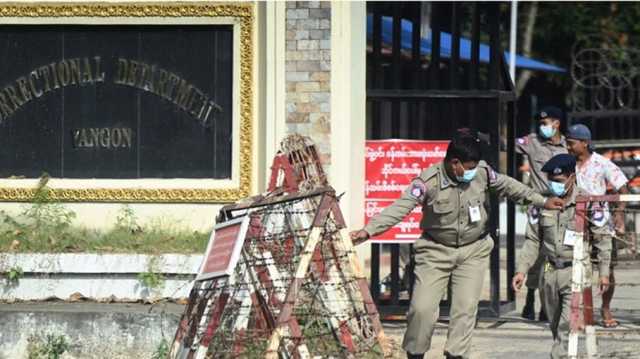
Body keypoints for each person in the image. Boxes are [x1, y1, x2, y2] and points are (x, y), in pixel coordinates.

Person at [351, 132, 564, 359]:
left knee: (464, 309)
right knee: (421, 309)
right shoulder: (428, 182)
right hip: (435, 250)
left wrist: (542, 201)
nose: (472, 171)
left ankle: (456, 355)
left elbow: (509, 186)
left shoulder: (481, 172)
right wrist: (368, 230)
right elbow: (400, 207)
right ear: (454, 163)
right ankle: (415, 353)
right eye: (468, 167)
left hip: (474, 250)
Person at [513, 154, 612, 359]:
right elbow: (532, 240)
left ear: (571, 177)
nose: (553, 185)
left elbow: (602, 239)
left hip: (576, 269)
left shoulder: (589, 202)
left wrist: (604, 273)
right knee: (556, 324)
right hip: (548, 271)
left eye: (558, 181)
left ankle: (558, 356)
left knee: (567, 327)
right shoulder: (541, 202)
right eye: (550, 181)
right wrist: (522, 270)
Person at [565, 123, 629, 328]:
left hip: (601, 224)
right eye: (567, 143)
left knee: (606, 268)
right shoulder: (567, 164)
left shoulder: (602, 164)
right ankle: (583, 311)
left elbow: (623, 188)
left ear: (585, 143)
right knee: (579, 267)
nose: (568, 147)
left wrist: (619, 214)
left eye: (572, 143)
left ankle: (606, 308)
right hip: (575, 224)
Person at [516, 106, 568, 321]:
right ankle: (529, 297)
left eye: (546, 122)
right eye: (540, 122)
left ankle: (547, 305)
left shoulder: (568, 145)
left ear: (556, 123)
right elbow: (508, 144)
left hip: (563, 206)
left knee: (555, 253)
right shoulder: (532, 142)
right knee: (536, 252)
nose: (542, 126)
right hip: (539, 204)